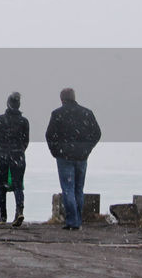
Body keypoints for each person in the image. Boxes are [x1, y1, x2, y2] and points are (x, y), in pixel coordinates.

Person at [44, 87, 102, 230]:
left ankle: (72, 221)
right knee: (78, 189)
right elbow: (97, 133)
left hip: (64, 157)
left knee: (68, 189)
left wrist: (56, 151)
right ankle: (78, 220)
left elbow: (49, 135)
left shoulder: (57, 114)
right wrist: (87, 149)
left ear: (62, 99)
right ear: (74, 97)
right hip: (81, 157)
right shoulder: (86, 113)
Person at [0, 92, 29, 226]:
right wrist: (18, 149)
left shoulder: (0, 119)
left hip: (2, 154)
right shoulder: (24, 121)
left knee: (1, 186)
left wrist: (3, 148)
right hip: (18, 155)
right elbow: (26, 141)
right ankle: (19, 211)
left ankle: (3, 217)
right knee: (18, 185)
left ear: (8, 104)